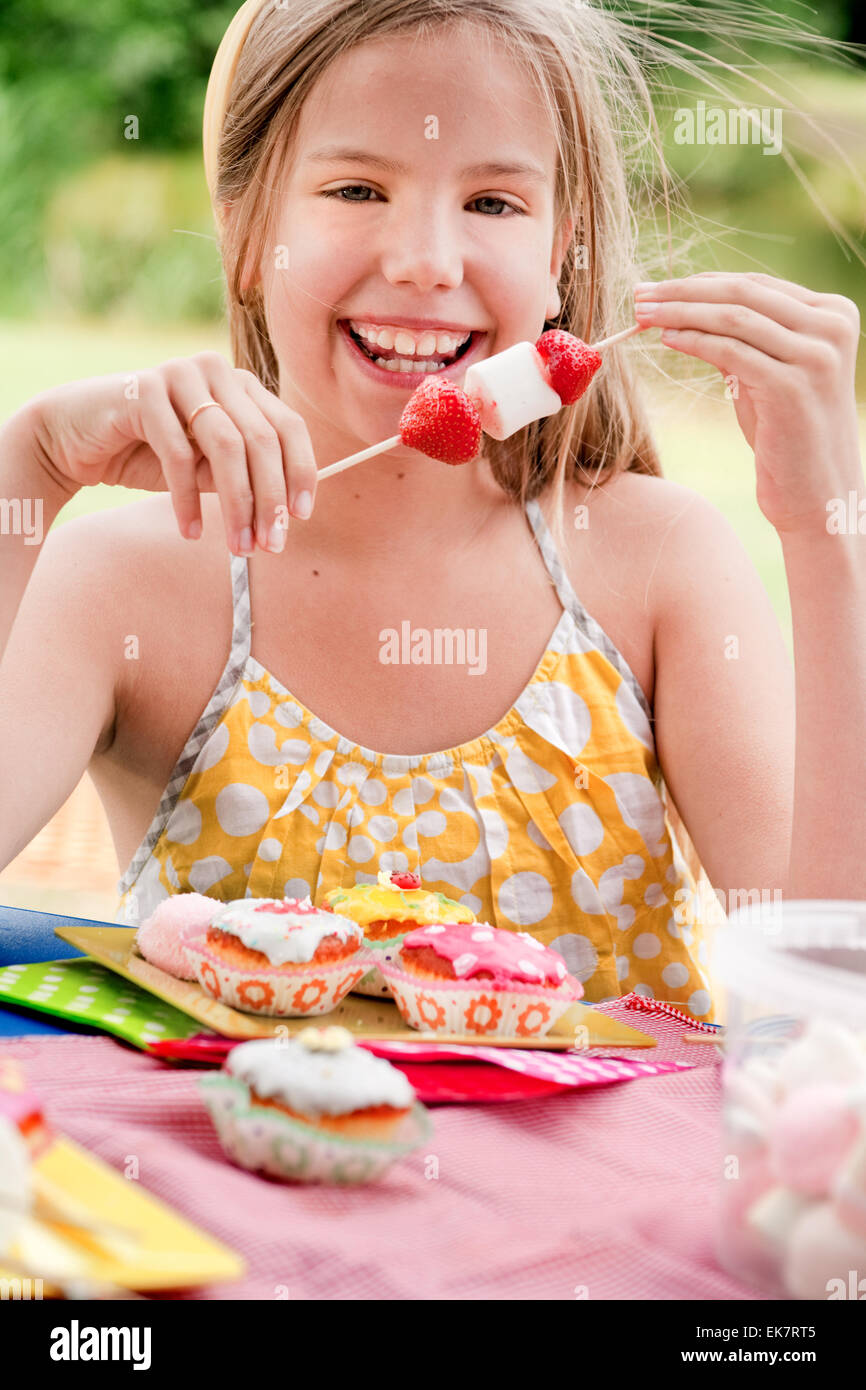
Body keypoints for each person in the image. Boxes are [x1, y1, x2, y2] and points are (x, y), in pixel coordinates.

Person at [1, 0, 863, 1022]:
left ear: (559, 253)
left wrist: (824, 532)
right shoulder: (124, 583)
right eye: (356, 188)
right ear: (243, 235)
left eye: (492, 203)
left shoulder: (660, 563)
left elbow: (832, 1010)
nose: (424, 262)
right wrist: (31, 466)